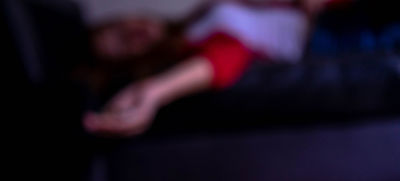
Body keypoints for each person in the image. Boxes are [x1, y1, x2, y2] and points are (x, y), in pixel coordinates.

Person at [83, 0, 339, 137]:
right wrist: (152, 92)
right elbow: (223, 60)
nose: (131, 34)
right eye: (123, 47)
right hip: (330, 36)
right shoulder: (188, 52)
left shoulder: (195, 18)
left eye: (116, 29)